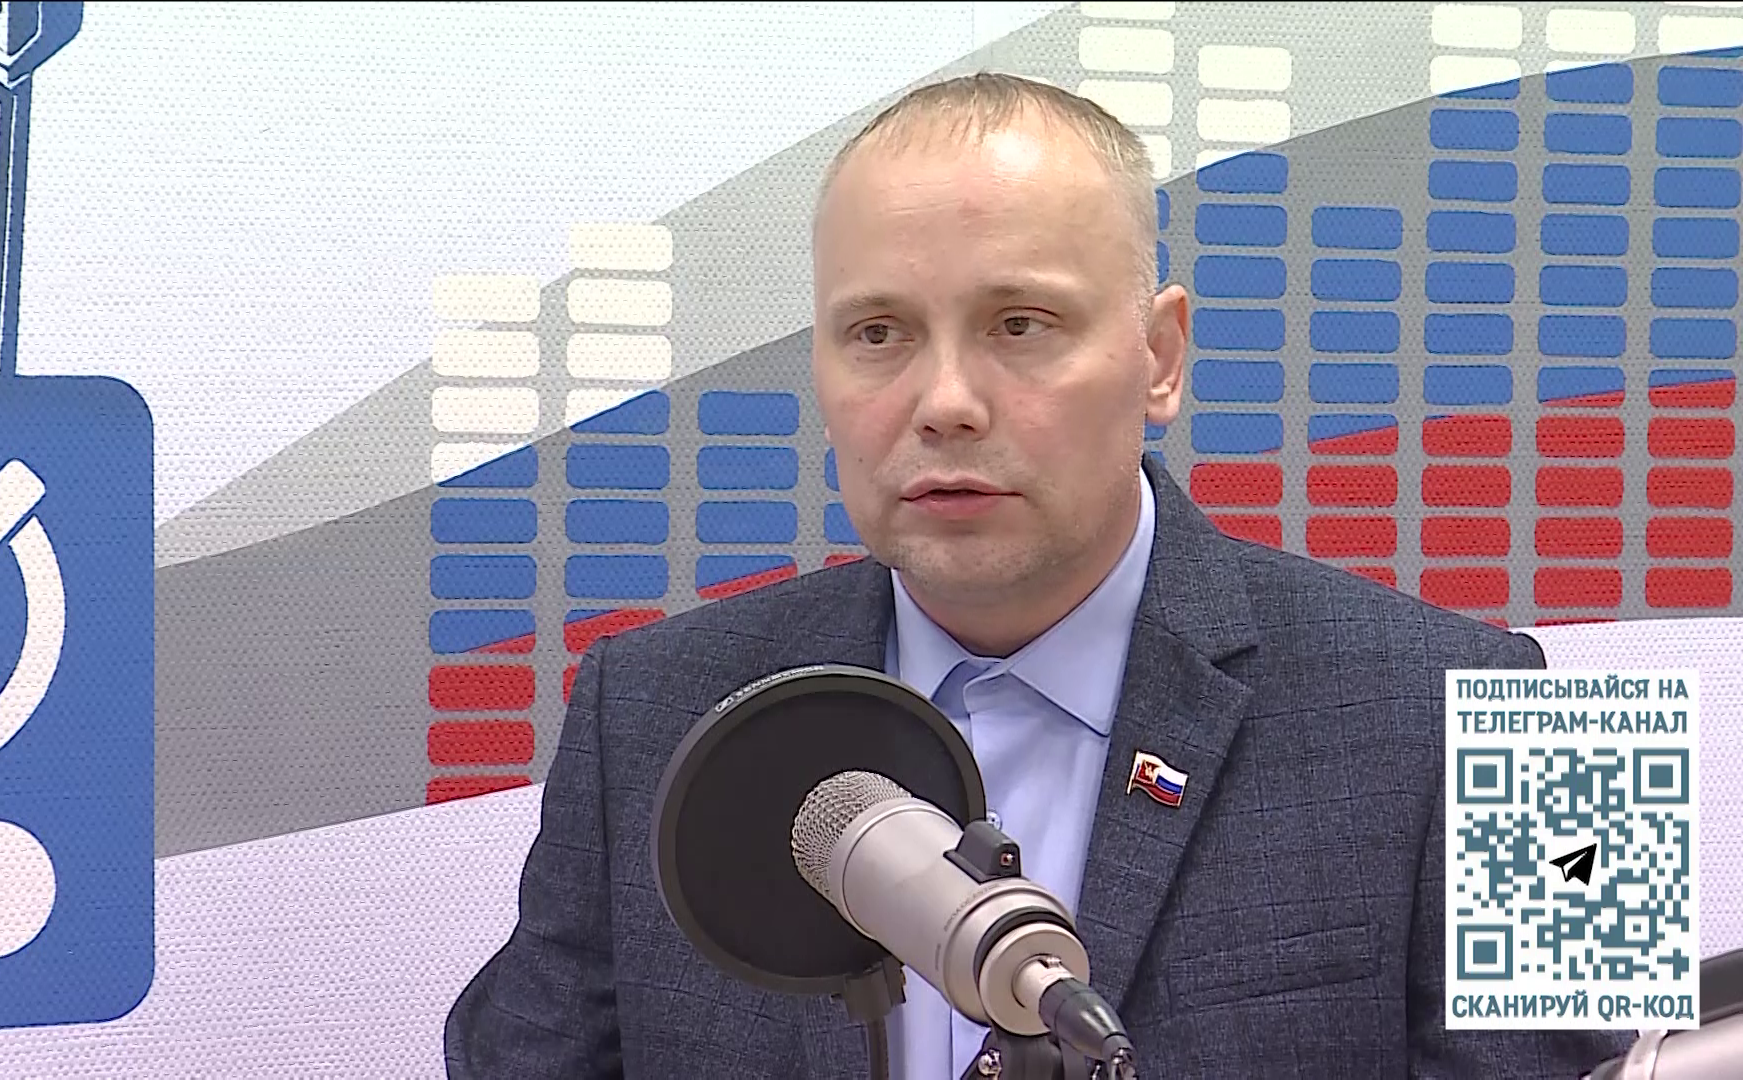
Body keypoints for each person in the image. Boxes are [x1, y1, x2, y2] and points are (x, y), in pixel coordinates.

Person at [445, 73, 1634, 1078]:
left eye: (1019, 324)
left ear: (1160, 356)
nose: (945, 402)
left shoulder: (1537, 721)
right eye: (878, 333)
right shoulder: (643, 712)